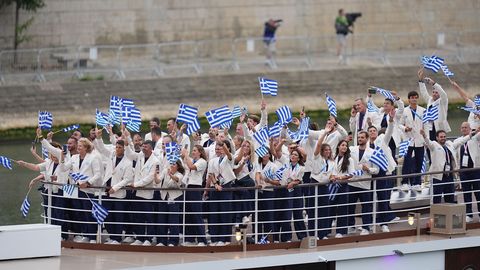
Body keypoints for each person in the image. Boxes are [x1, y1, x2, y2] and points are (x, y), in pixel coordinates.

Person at [93, 129, 134, 245]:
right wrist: (99, 138)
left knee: (118, 216)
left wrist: (115, 188)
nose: (117, 149)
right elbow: (102, 149)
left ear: (124, 149)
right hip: (107, 190)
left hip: (118, 193)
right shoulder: (111, 156)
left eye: (119, 147)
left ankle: (117, 238)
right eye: (116, 147)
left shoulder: (128, 163)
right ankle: (112, 236)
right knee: (108, 215)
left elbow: (127, 179)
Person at [421, 129, 474, 204]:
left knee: (450, 198)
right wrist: (424, 135)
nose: (443, 138)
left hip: (449, 176)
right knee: (436, 199)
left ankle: (449, 215)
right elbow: (428, 142)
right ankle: (436, 215)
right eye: (441, 137)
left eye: (444, 136)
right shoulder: (434, 145)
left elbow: (460, 142)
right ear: (437, 138)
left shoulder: (449, 144)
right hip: (438, 177)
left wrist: (470, 135)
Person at [124, 137, 159, 246]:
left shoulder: (155, 161)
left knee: (148, 217)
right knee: (138, 216)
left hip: (147, 193)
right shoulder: (140, 156)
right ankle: (139, 237)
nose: (143, 148)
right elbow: (130, 154)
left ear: (151, 148)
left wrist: (136, 185)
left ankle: (148, 238)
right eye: (143, 146)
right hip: (137, 193)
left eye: (145, 146)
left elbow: (150, 177)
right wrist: (126, 144)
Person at [347, 131, 379, 235]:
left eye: (362, 137)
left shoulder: (372, 152)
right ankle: (351, 226)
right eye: (359, 137)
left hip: (365, 184)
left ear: (367, 138)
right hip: (352, 183)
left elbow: (377, 170)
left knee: (366, 207)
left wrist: (368, 169)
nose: (360, 139)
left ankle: (366, 227)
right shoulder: (352, 150)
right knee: (350, 206)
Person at [206, 141, 236, 246]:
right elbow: (210, 174)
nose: (217, 151)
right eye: (216, 149)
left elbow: (229, 155)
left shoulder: (229, 158)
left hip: (226, 187)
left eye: (220, 148)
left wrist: (223, 143)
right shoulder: (212, 160)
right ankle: (215, 238)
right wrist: (215, 184)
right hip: (216, 187)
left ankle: (225, 239)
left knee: (225, 213)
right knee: (214, 213)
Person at [181, 145, 208, 246]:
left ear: (200, 152)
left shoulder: (202, 161)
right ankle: (190, 238)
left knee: (197, 214)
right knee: (188, 215)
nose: (193, 152)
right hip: (188, 187)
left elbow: (191, 167)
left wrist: (186, 155)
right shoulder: (192, 160)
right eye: (193, 150)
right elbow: (186, 165)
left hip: (196, 188)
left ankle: (202, 240)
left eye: (195, 150)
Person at [453, 122, 480, 222]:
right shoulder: (458, 140)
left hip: (475, 170)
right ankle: (469, 214)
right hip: (464, 171)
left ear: (470, 128)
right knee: (466, 193)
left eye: (466, 127)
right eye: (462, 127)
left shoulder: (475, 138)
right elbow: (454, 146)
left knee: (478, 193)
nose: (464, 129)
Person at [399, 90, 426, 188]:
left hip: (420, 140)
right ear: (409, 99)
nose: (414, 99)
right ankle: (405, 182)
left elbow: (426, 125)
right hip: (408, 140)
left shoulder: (423, 110)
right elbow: (399, 124)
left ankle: (417, 183)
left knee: (419, 161)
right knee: (407, 161)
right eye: (412, 97)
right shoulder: (405, 111)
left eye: (415, 97)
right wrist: (405, 128)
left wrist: (425, 138)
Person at [155, 159, 185, 246]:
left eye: (174, 164)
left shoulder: (179, 174)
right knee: (161, 219)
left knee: (173, 220)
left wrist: (170, 175)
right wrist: (155, 175)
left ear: (178, 166)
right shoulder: (165, 170)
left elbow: (176, 179)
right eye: (171, 163)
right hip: (164, 197)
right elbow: (158, 181)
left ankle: (173, 241)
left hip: (174, 199)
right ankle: (161, 241)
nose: (172, 165)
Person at [329, 140, 355, 238]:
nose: (344, 147)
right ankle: (327, 230)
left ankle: (341, 231)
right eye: (342, 145)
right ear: (338, 146)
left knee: (342, 209)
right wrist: (332, 177)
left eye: (346, 145)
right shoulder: (333, 158)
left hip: (343, 186)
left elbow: (351, 174)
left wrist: (340, 177)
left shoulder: (349, 160)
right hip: (333, 185)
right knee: (330, 207)